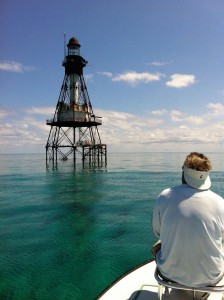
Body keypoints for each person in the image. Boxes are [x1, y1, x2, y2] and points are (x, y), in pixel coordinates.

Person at [152, 152, 224, 289]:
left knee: (158, 245)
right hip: (211, 277)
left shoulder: (164, 196)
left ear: (183, 172)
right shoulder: (220, 203)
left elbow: (158, 232)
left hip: (169, 274)